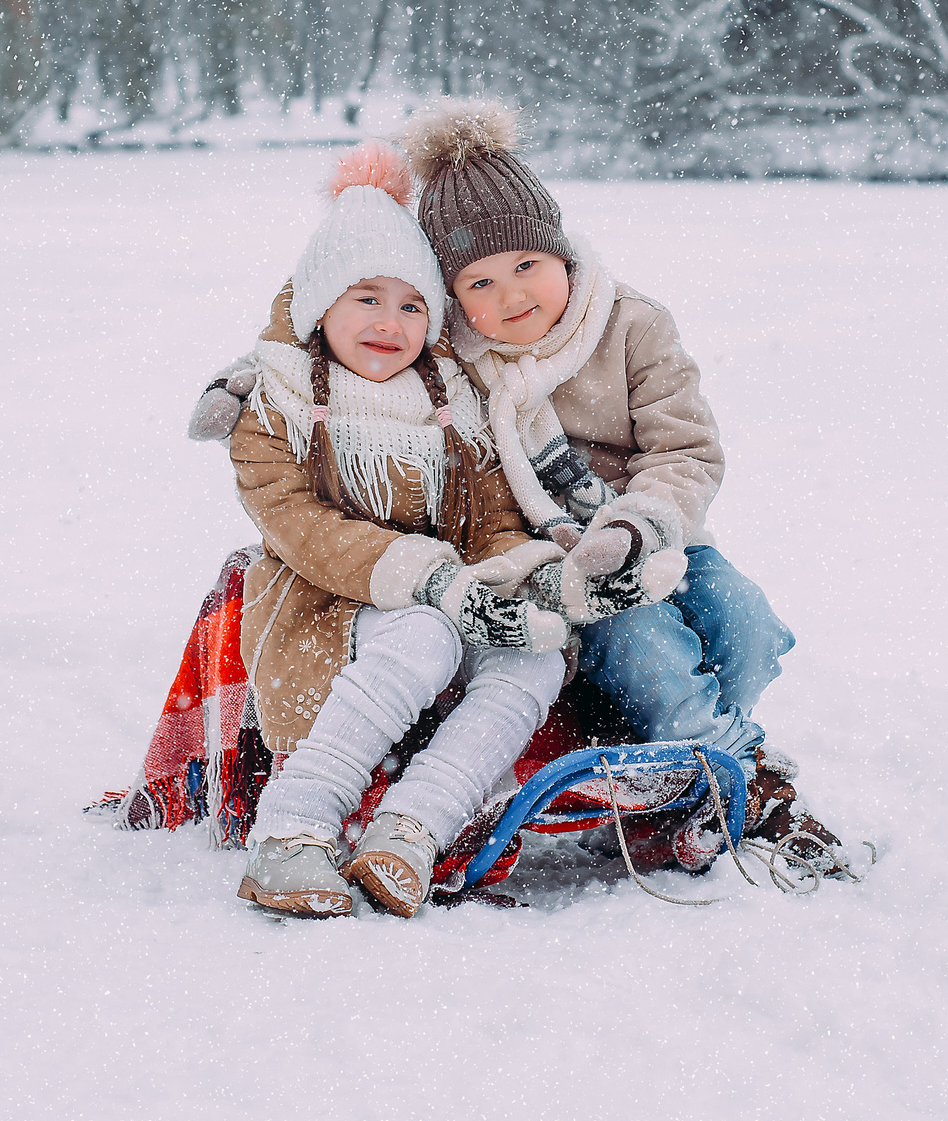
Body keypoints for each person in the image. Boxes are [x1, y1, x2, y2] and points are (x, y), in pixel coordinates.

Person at [397, 100, 856, 880]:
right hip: (554, 558)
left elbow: (687, 449)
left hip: (659, 531)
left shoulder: (631, 324)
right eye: (480, 281)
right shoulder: (456, 366)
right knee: (642, 639)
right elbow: (347, 343)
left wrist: (641, 524)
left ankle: (670, 779)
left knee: (742, 621)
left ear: (563, 256)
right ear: (452, 296)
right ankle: (745, 782)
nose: (512, 296)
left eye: (526, 267)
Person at [227, 142, 658, 918]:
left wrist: (538, 584)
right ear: (323, 303)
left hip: (449, 596)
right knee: (421, 636)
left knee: (536, 656)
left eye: (412, 304)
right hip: (324, 604)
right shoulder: (279, 403)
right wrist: (427, 579)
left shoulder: (454, 400)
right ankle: (292, 830)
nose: (390, 324)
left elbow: (492, 521)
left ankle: (411, 830)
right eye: (367, 298)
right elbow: (299, 527)